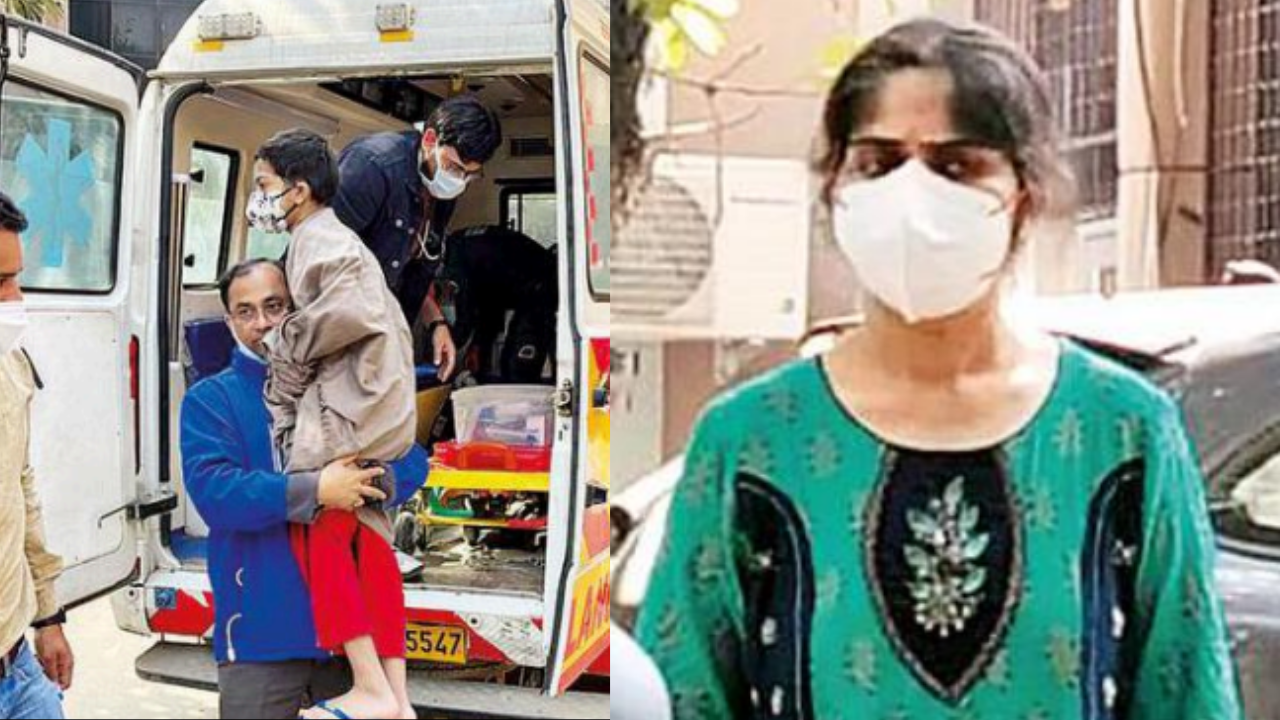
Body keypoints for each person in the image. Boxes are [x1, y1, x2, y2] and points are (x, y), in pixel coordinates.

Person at [632, 18, 1245, 720]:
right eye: (878, 161)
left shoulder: (1124, 432)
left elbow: (1188, 694)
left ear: (1025, 193)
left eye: (957, 165)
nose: (912, 194)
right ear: (835, 186)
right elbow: (681, 698)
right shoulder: (752, 442)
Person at [181, 257, 429, 719]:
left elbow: (413, 457)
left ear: (299, 308)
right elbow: (218, 493)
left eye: (275, 306)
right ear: (230, 321)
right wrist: (318, 490)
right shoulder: (212, 400)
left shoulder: (345, 382)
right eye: (246, 311)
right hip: (262, 639)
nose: (263, 324)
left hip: (352, 643)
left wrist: (373, 480)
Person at [248, 127, 419, 720]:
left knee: (316, 522)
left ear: (297, 192)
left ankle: (370, 686)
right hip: (378, 407)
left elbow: (347, 313)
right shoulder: (338, 240)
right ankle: (396, 695)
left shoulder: (316, 240)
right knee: (368, 536)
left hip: (352, 408)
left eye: (264, 186)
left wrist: (284, 350)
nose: (259, 198)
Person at [333, 95, 503, 382]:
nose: (459, 180)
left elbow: (413, 262)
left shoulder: (440, 193)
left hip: (380, 333)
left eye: (469, 175)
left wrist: (436, 322)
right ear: (429, 139)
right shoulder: (372, 166)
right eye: (453, 167)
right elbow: (321, 261)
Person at [0, 191, 73, 719]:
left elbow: (20, 487)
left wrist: (47, 617)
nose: (15, 298)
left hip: (16, 664)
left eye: (15, 277)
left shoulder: (9, 367)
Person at [436, 225, 557, 383]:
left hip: (539, 286)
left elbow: (467, 314)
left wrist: (445, 347)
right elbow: (489, 304)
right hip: (539, 282)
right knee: (515, 357)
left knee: (518, 365)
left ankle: (521, 401)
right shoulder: (466, 245)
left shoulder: (456, 260)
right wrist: (477, 345)